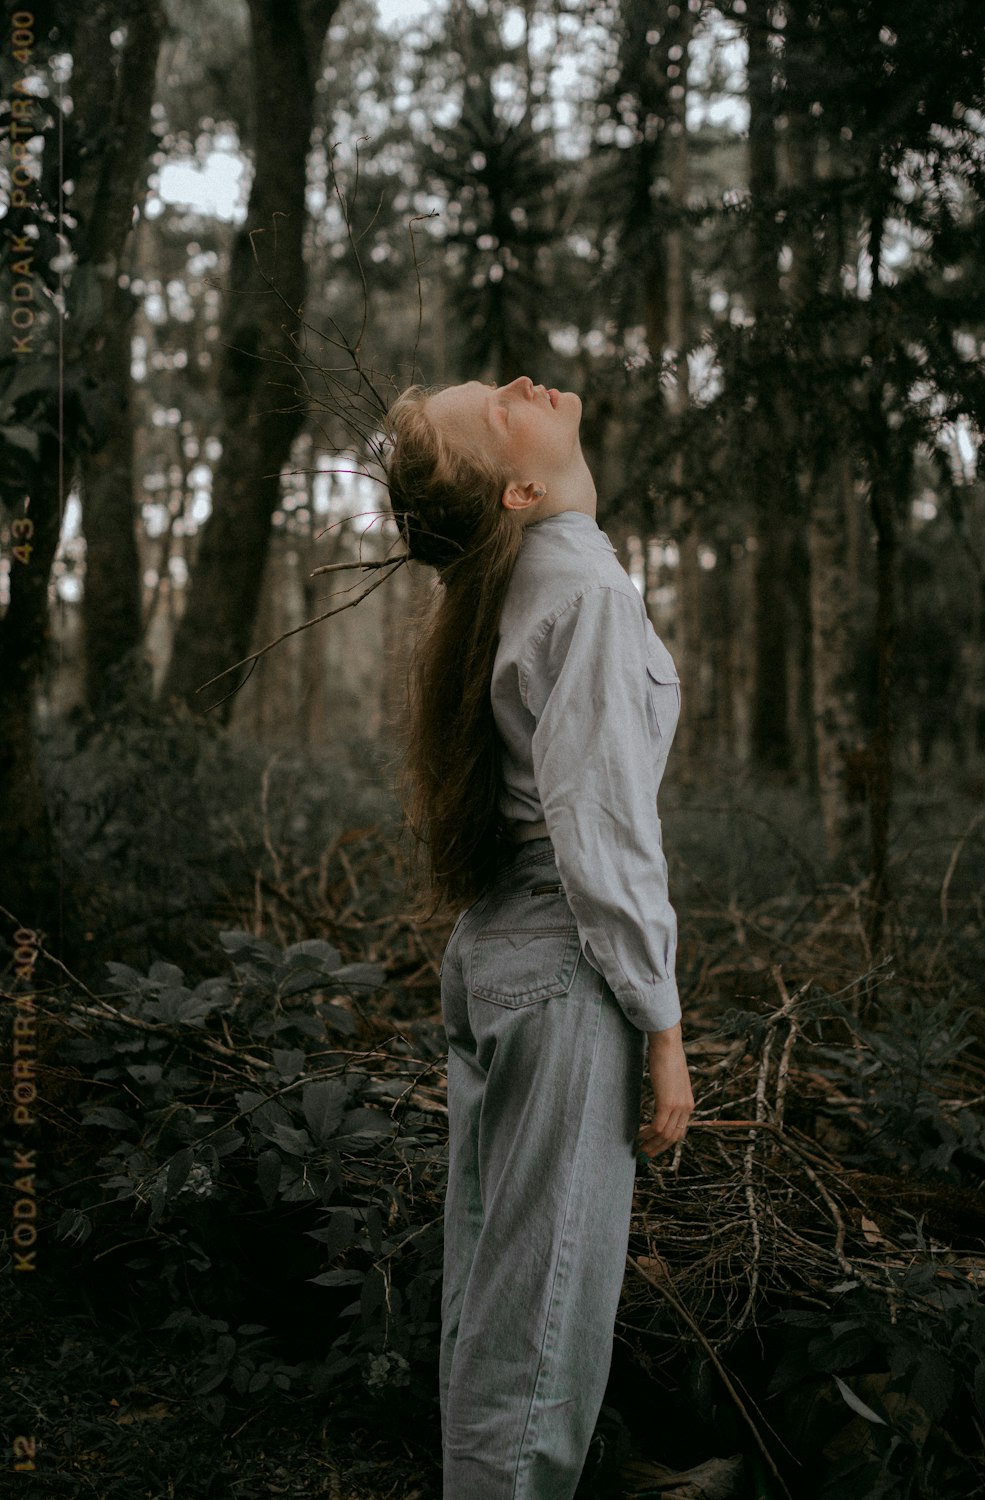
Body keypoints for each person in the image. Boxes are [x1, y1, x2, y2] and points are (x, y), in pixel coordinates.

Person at [383, 374, 695, 1500]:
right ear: (517, 488)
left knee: (498, 1293)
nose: (519, 382)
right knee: (544, 1313)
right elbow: (601, 832)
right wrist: (660, 1023)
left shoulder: (526, 581)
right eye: (495, 407)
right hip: (560, 970)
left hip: (500, 957)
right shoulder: (583, 593)